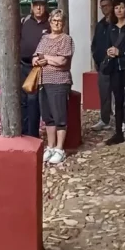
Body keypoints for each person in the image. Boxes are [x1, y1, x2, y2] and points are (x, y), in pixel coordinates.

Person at [34, 9, 75, 165]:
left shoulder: (66, 39)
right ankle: (50, 146)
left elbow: (62, 62)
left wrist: (45, 58)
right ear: (50, 22)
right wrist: (40, 60)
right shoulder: (44, 38)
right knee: (48, 117)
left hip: (59, 81)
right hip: (43, 81)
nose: (57, 23)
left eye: (60, 20)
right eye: (54, 20)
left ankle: (60, 148)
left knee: (60, 116)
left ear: (63, 23)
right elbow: (34, 57)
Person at [103, 0, 125, 146]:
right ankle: (118, 132)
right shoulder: (110, 28)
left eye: (122, 7)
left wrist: (121, 53)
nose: (119, 10)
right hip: (114, 69)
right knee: (117, 100)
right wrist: (109, 52)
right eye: (116, 7)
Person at [20, 0, 50, 138]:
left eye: (41, 5)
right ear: (31, 6)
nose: (38, 7)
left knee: (33, 101)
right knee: (23, 101)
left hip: (39, 68)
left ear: (45, 6)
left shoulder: (50, 23)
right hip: (22, 66)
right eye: (36, 4)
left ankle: (32, 135)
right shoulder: (24, 21)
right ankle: (23, 133)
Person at [90, 0, 113, 131]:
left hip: (115, 66)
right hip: (102, 66)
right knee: (104, 94)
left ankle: (120, 121)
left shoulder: (116, 24)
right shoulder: (100, 25)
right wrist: (97, 60)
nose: (105, 8)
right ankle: (105, 119)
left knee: (118, 95)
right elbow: (95, 45)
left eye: (107, 5)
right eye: (102, 6)